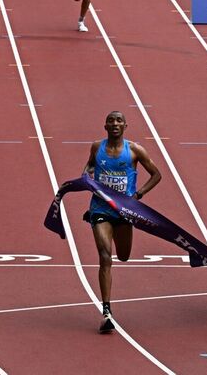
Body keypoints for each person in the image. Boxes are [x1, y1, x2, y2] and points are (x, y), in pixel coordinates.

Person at [72, 111, 161, 333]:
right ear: (105, 126)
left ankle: (107, 309)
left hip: (124, 211)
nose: (114, 124)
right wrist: (86, 177)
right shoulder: (96, 147)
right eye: (111, 121)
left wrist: (138, 196)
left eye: (119, 121)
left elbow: (156, 174)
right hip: (100, 209)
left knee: (122, 256)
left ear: (125, 126)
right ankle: (106, 311)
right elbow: (90, 165)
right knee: (104, 256)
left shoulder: (135, 150)